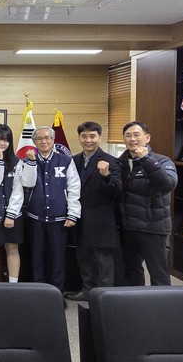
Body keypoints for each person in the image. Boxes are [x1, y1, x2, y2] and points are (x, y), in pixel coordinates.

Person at [65, 122, 122, 302]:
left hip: (101, 219)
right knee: (84, 258)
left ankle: (104, 297)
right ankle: (87, 290)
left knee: (104, 262)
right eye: (84, 136)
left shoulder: (111, 161)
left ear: (99, 137)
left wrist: (106, 176)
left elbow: (117, 192)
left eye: (92, 136)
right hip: (80, 218)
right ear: (79, 138)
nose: (88, 140)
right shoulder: (73, 160)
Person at [118, 121, 177, 286]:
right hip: (127, 227)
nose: (132, 139)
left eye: (137, 135)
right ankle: (135, 301)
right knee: (131, 270)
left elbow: (166, 185)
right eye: (128, 135)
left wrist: (146, 159)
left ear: (147, 138)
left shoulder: (162, 161)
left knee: (158, 273)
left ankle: (162, 303)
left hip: (152, 227)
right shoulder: (120, 163)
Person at [25, 126, 81, 293]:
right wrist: (31, 163)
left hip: (59, 219)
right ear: (34, 142)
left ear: (53, 140)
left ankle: (57, 293)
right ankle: (39, 293)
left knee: (58, 258)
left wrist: (73, 214)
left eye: (47, 138)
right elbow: (25, 184)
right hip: (35, 218)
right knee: (36, 257)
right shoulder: (27, 161)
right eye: (39, 138)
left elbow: (74, 187)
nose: (44, 141)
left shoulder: (65, 160)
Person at [0, 124, 36, 283]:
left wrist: (11, 214)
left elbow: (22, 187)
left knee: (12, 247)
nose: (2, 143)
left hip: (13, 214)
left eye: (5, 140)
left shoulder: (16, 161)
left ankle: (13, 286)